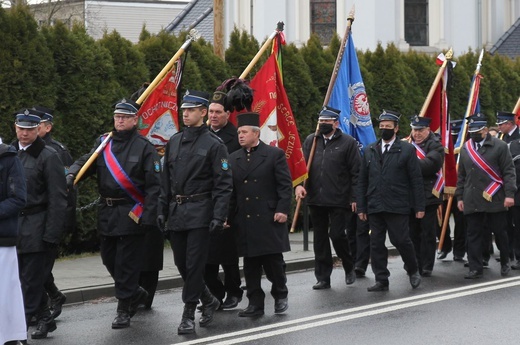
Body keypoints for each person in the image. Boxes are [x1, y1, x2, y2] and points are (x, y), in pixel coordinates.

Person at [67, 99, 161, 328]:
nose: (119, 120)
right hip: (107, 211)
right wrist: (71, 173)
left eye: (124, 117)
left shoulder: (144, 147)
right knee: (109, 259)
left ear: (134, 120)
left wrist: (149, 215)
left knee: (126, 263)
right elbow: (86, 163)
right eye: (117, 117)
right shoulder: (104, 143)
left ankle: (123, 310)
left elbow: (154, 186)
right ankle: (134, 291)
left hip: (132, 211)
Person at [157, 90, 233, 334]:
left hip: (201, 212)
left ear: (203, 113)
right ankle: (208, 298)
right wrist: (161, 210)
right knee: (182, 264)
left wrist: (219, 216)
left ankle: (189, 312)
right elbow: (165, 181)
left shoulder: (214, 144)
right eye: (184, 111)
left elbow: (223, 185)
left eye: (191, 110)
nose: (186, 114)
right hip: (178, 212)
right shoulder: (175, 142)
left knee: (195, 265)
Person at [228, 112, 292, 317]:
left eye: (244, 132)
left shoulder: (274, 154)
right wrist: (227, 216)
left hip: (268, 216)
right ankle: (255, 303)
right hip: (244, 218)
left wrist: (282, 209)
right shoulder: (233, 158)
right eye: (239, 132)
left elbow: (284, 186)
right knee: (250, 264)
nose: (240, 136)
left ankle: (280, 294)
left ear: (256, 133)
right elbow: (231, 192)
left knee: (273, 262)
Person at [14, 108, 68, 339]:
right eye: (20, 128)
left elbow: (58, 198)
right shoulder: (8, 154)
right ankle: (45, 317)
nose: (24, 133)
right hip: (13, 226)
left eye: (29, 129)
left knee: (30, 281)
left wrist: (52, 233)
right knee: (18, 278)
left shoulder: (48, 156)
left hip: (37, 225)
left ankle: (19, 328)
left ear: (38, 129)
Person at [357, 110, 424, 291]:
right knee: (376, 244)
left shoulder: (407, 149)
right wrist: (361, 207)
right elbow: (362, 180)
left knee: (401, 240)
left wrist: (419, 206)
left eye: (388, 126)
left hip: (397, 204)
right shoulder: (370, 149)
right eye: (382, 126)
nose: (384, 129)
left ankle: (413, 269)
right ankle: (381, 279)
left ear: (396, 128)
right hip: (375, 205)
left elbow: (416, 180)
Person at [295, 106, 359, 290]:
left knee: (337, 235)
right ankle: (323, 277)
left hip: (339, 198)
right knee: (320, 239)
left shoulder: (347, 143)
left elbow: (356, 172)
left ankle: (348, 265)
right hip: (316, 198)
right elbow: (302, 166)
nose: (323, 125)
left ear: (336, 123)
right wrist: (299, 185)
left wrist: (354, 197)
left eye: (327, 122)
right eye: (321, 121)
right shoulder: (311, 140)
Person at [455, 112, 516, 279]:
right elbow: (462, 175)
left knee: (499, 232)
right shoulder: (466, 148)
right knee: (473, 234)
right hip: (472, 198)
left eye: (478, 131)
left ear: (486, 130)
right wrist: (459, 197)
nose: (475, 134)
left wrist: (510, 195)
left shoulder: (500, 146)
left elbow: (509, 172)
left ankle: (505, 261)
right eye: (472, 131)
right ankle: (476, 267)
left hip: (494, 198)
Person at [204, 90, 243, 310]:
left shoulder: (235, 137)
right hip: (204, 202)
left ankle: (234, 292)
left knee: (228, 255)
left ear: (228, 114)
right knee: (207, 255)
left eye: (219, 112)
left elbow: (234, 176)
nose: (214, 115)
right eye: (211, 111)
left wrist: (228, 209)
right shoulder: (203, 134)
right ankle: (213, 294)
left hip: (228, 201)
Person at [33, 105, 72, 320]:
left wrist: (64, 222)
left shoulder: (57, 151)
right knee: (30, 264)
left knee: (38, 265)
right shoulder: (19, 149)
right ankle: (53, 297)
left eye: (36, 125)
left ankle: (43, 310)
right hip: (29, 220)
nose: (29, 129)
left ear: (47, 127)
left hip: (49, 217)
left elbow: (66, 191)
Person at [408, 115, 445, 277]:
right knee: (412, 232)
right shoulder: (406, 145)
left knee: (427, 233)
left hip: (428, 196)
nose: (417, 134)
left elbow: (430, 165)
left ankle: (427, 265)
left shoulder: (435, 146)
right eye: (414, 130)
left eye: (420, 130)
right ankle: (415, 262)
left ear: (428, 130)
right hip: (409, 197)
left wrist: (406, 163)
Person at [0, 138, 28, 345]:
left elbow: (18, 198)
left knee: (4, 293)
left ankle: (9, 337)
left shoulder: (8, 158)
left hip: (2, 239)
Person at [437, 119, 466, 262]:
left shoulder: (464, 148)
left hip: (460, 190)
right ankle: (445, 246)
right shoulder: (441, 147)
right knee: (441, 221)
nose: (453, 139)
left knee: (461, 223)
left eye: (455, 136)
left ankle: (459, 251)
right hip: (443, 190)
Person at [496, 111, 520, 267]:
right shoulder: (502, 138)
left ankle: (518, 255)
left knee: (518, 224)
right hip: (504, 189)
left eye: (501, 124)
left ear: (510, 123)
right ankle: (509, 251)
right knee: (506, 224)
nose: (498, 127)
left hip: (517, 188)